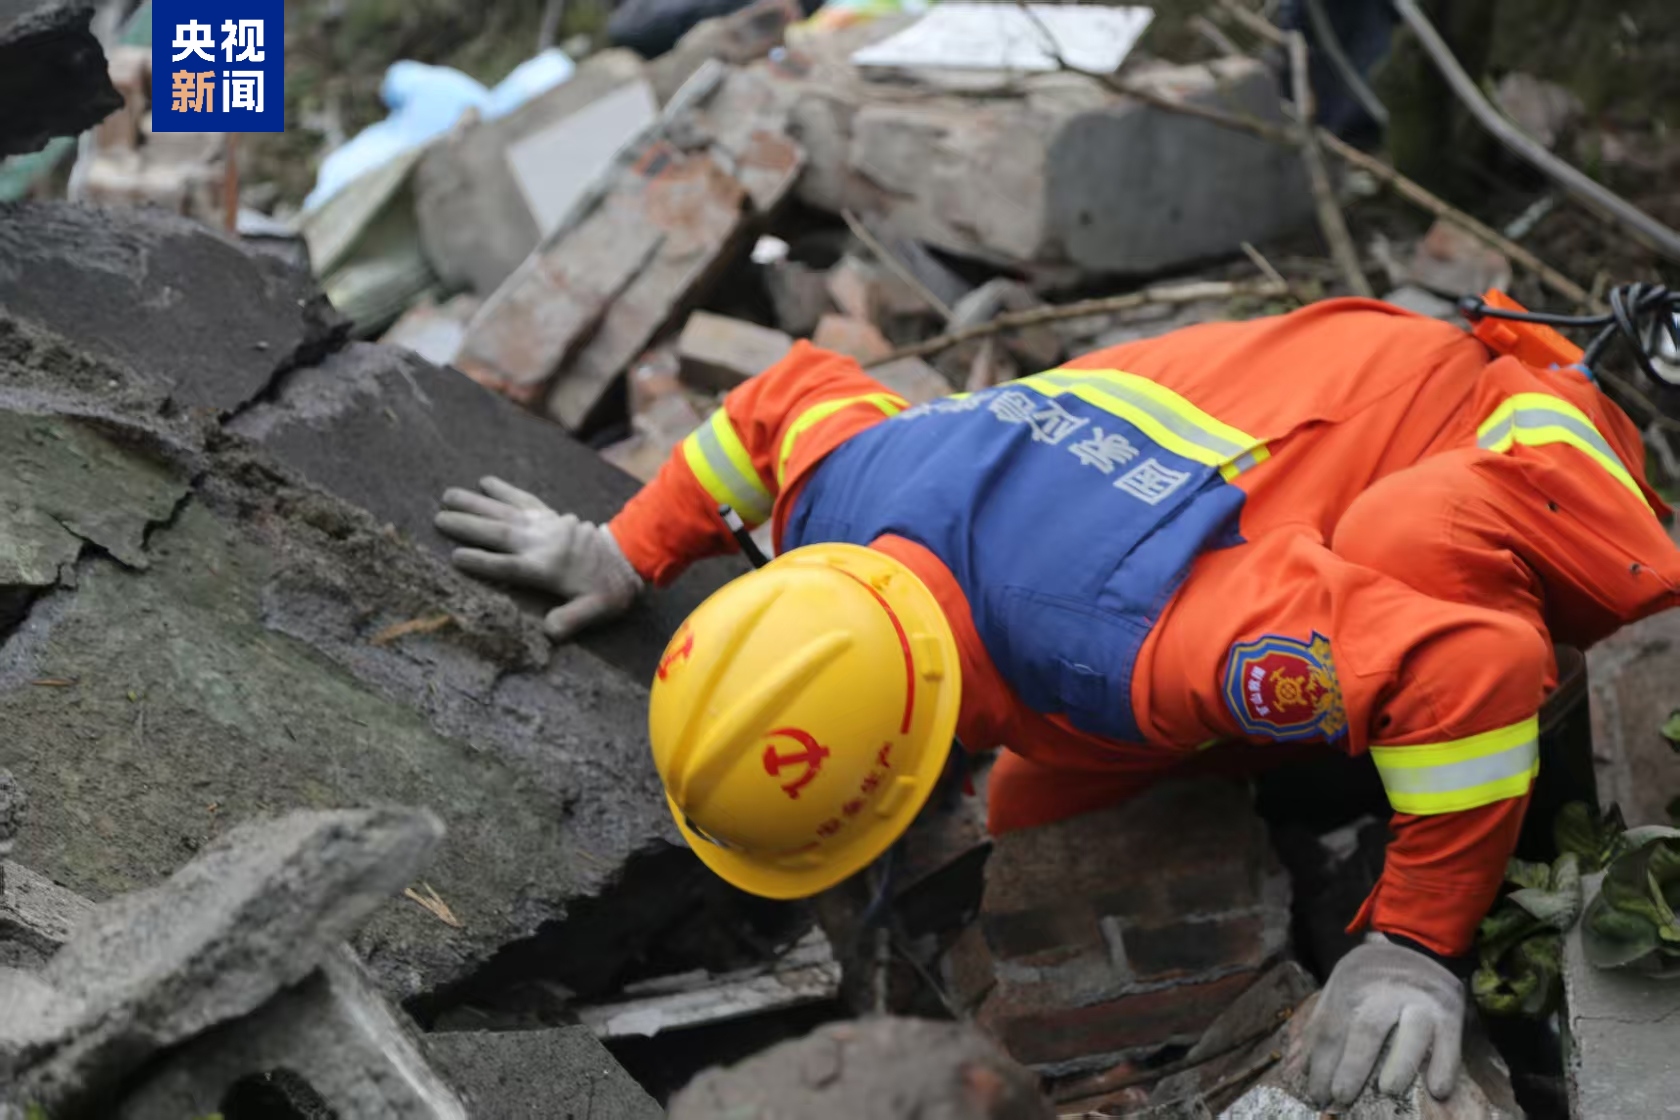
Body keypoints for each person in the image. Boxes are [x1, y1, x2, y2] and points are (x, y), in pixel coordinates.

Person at [436, 296, 1679, 1107]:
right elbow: (780, 397)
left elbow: (1472, 671)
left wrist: (1412, 946)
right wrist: (625, 549)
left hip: (1498, 429)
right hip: (1287, 398)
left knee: (1411, 573)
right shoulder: (838, 492)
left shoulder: (1134, 650)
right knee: (1035, 801)